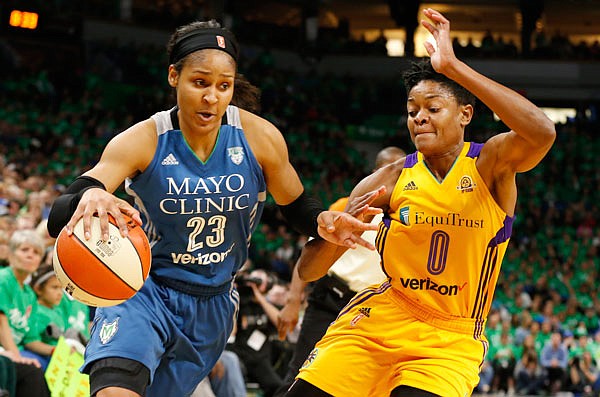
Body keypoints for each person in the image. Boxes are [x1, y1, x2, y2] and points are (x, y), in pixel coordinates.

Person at [46, 19, 376, 397]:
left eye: (224, 86)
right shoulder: (145, 138)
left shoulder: (260, 137)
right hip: (144, 288)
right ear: (174, 77)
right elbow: (61, 214)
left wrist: (322, 221)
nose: (212, 97)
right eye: (200, 83)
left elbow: (296, 204)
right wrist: (89, 194)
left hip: (212, 302)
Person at [284, 7, 556, 397]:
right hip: (381, 317)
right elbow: (309, 271)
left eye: (432, 108)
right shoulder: (388, 178)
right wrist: (332, 233)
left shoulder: (491, 163)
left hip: (448, 338)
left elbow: (542, 132)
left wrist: (453, 68)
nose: (419, 119)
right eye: (412, 112)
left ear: (466, 114)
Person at [274, 146, 406, 397]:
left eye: (398, 173)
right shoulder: (348, 205)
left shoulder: (407, 214)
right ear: (375, 174)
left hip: (370, 312)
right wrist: (292, 301)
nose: (391, 177)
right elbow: (311, 251)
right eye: (384, 170)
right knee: (299, 376)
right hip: (330, 300)